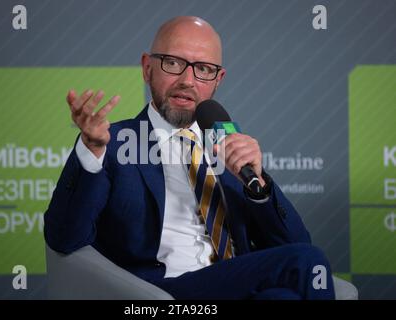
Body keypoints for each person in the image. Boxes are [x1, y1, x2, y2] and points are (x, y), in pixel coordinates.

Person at [44, 16, 335, 300]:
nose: (187, 80)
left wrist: (257, 186)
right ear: (147, 68)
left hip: (236, 282)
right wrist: (90, 150)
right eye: (173, 63)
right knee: (308, 260)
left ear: (218, 79)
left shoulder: (227, 141)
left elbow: (293, 243)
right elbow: (64, 238)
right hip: (161, 293)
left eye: (204, 69)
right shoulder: (113, 142)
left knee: (284, 294)